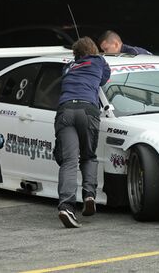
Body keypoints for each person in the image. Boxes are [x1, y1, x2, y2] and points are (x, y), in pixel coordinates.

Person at [54, 36, 111, 228]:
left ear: (75, 54)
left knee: (69, 160)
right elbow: (105, 79)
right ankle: (89, 196)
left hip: (65, 110)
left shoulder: (68, 67)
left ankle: (66, 207)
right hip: (88, 110)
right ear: (94, 50)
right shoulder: (99, 61)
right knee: (88, 156)